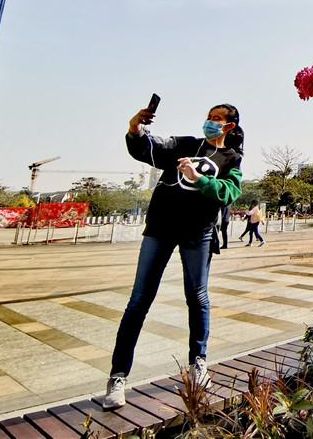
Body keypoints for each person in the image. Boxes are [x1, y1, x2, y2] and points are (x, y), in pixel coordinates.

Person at [103, 103, 243, 410]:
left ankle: (199, 363)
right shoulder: (185, 145)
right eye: (209, 116)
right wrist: (135, 129)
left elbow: (229, 193)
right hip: (160, 229)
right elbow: (150, 147)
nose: (210, 122)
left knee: (198, 297)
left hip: (198, 234)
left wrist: (200, 178)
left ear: (229, 127)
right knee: (139, 300)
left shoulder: (232, 158)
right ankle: (117, 377)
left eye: (218, 119)